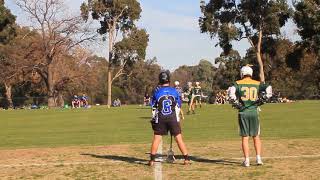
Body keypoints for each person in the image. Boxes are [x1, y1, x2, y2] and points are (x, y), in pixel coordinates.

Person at [227, 65, 272, 167]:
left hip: (243, 112)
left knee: (245, 137)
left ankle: (247, 160)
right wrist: (264, 98)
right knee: (256, 136)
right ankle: (258, 158)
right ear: (251, 73)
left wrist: (236, 103)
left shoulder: (237, 83)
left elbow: (231, 93)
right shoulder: (257, 83)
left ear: (242, 73)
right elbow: (269, 88)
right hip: (254, 112)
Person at [149, 71, 190, 166]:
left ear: (160, 80)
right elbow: (178, 105)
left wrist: (154, 118)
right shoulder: (174, 91)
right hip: (172, 117)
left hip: (161, 117)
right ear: (169, 80)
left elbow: (153, 106)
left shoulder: (157, 92)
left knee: (157, 138)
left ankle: (151, 160)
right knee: (179, 138)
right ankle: (186, 158)